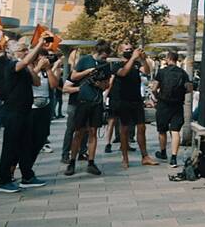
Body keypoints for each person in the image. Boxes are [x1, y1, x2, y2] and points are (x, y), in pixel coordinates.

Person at [0, 39, 48, 193]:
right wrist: (39, 44)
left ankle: (27, 176)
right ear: (12, 53)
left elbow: (37, 82)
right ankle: (4, 180)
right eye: (22, 50)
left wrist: (34, 69)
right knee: (10, 146)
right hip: (13, 111)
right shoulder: (11, 65)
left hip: (25, 110)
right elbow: (24, 62)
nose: (26, 52)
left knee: (26, 145)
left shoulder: (25, 67)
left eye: (26, 49)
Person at [65, 39, 112, 176]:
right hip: (83, 101)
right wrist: (88, 72)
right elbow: (73, 76)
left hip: (96, 102)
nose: (105, 58)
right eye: (104, 55)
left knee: (93, 132)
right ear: (98, 52)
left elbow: (107, 85)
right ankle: (72, 162)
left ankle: (91, 162)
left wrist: (99, 85)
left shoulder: (105, 65)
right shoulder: (85, 60)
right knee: (78, 132)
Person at [113, 43, 159, 168]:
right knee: (124, 129)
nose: (129, 51)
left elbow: (147, 71)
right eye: (126, 49)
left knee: (142, 127)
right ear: (120, 51)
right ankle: (125, 158)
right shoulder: (117, 65)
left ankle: (145, 156)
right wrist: (133, 58)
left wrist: (143, 59)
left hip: (136, 100)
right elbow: (122, 73)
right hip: (123, 100)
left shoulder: (136, 64)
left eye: (131, 49)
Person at [152, 51, 192, 168]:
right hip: (177, 104)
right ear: (176, 59)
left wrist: (156, 95)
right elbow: (189, 89)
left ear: (168, 58)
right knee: (175, 131)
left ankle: (163, 152)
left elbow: (154, 87)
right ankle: (174, 158)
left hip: (163, 104)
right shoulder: (183, 73)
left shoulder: (161, 72)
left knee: (162, 130)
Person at [27, 38, 61, 174]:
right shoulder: (29, 68)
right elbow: (28, 81)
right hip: (30, 106)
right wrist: (38, 67)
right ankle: (20, 165)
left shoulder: (48, 70)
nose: (44, 59)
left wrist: (48, 69)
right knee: (27, 138)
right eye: (41, 57)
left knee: (41, 137)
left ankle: (29, 165)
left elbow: (53, 85)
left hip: (45, 105)